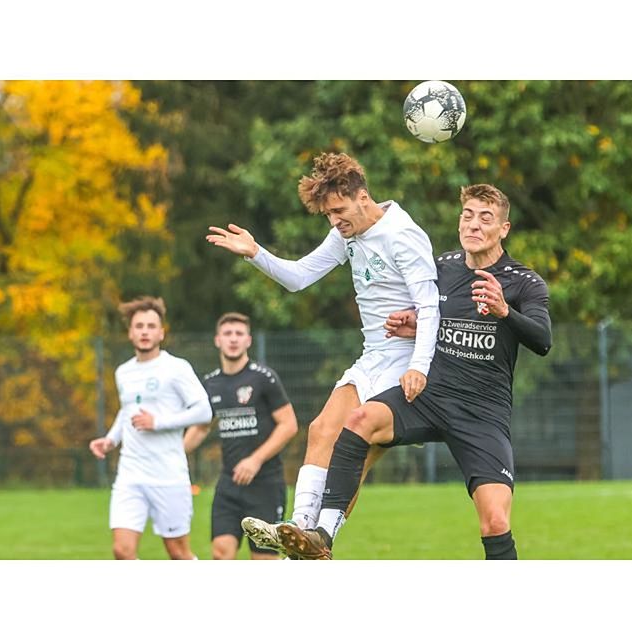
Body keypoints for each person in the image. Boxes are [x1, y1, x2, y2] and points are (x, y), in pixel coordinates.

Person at [274, 183, 552, 560]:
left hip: (481, 414)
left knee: (495, 522)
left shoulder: (523, 282)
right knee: (359, 419)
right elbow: (428, 309)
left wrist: (506, 312)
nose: (473, 225)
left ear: (504, 228)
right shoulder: (443, 268)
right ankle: (321, 535)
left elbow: (542, 340)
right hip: (429, 395)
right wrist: (413, 322)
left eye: (485, 218)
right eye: (467, 215)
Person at [206, 152, 440, 552]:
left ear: (362, 196)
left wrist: (419, 366)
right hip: (372, 358)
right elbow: (299, 277)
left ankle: (321, 536)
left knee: (351, 456)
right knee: (320, 430)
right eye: (328, 215)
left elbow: (430, 305)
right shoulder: (344, 234)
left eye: (339, 211)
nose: (334, 221)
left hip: (404, 361)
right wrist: (256, 253)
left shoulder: (402, 234)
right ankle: (297, 529)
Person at [88, 296, 213, 559]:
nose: (145, 331)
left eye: (151, 326)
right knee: (122, 551)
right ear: (130, 333)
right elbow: (127, 411)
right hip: (130, 475)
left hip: (168, 475)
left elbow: (204, 411)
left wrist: (159, 423)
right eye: (139, 326)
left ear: (161, 332)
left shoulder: (176, 368)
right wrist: (110, 440)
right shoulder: (123, 372)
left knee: (178, 553)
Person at [183, 312, 299, 559]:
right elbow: (202, 427)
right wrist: (174, 454)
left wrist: (255, 460)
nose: (233, 339)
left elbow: (288, 425)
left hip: (266, 484)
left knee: (264, 559)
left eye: (239, 334)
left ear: (248, 340)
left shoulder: (263, 377)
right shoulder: (210, 383)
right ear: (217, 340)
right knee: (220, 554)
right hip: (229, 484)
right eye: (227, 334)